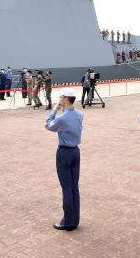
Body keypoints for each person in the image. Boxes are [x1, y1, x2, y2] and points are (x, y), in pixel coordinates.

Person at [45, 88, 83, 230]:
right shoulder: (80, 114)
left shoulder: (61, 118)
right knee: (74, 187)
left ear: (66, 99)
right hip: (75, 152)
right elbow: (70, 118)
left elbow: (48, 125)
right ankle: (75, 219)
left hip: (64, 153)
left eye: (61, 97)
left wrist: (55, 109)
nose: (59, 98)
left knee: (66, 187)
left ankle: (68, 221)